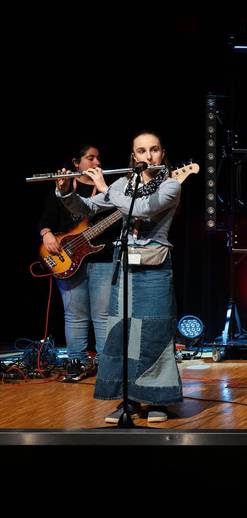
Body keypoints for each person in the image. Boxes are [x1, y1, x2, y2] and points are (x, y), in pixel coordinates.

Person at [56, 131, 182, 424]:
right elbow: (87, 209)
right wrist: (65, 191)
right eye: (141, 151)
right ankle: (129, 399)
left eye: (153, 150)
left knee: (153, 334)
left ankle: (157, 400)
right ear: (133, 155)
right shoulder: (124, 184)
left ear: (162, 153)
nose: (148, 156)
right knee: (122, 334)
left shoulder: (171, 185)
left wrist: (104, 187)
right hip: (125, 267)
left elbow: (143, 209)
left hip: (155, 268)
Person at [39, 144, 116, 378]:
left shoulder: (109, 189)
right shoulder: (63, 185)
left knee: (103, 315)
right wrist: (46, 233)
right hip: (65, 258)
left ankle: (106, 365)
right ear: (76, 162)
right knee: (74, 315)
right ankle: (77, 363)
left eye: (98, 158)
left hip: (101, 258)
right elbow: (45, 219)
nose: (96, 163)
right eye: (90, 158)